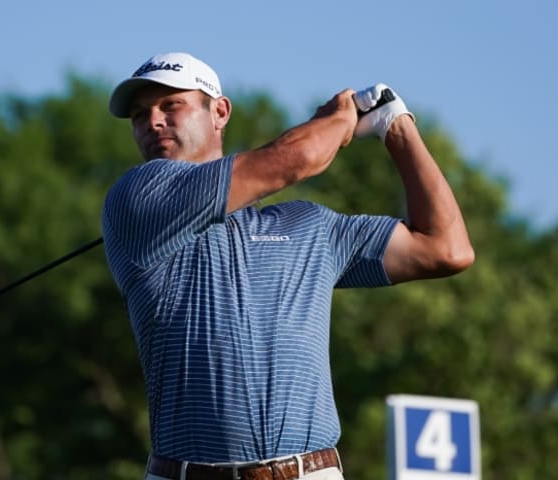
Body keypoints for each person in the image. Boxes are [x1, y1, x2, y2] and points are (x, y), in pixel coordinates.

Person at [102, 52, 474, 480]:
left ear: (219, 111)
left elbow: (446, 248)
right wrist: (340, 117)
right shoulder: (139, 197)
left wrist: (397, 126)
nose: (153, 122)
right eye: (139, 114)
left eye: (171, 105)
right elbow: (299, 158)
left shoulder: (310, 227)